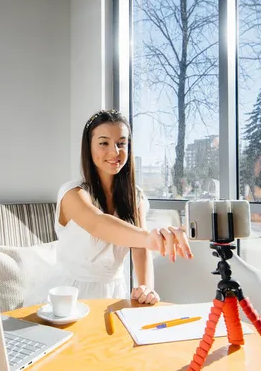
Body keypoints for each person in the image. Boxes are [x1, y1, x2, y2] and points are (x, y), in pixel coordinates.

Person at [25, 109, 194, 307]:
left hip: (114, 291)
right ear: (89, 148)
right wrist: (150, 238)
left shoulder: (135, 196)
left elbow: (139, 248)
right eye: (104, 143)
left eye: (121, 143)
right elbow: (98, 224)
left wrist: (146, 288)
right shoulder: (73, 194)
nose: (114, 152)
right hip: (68, 294)